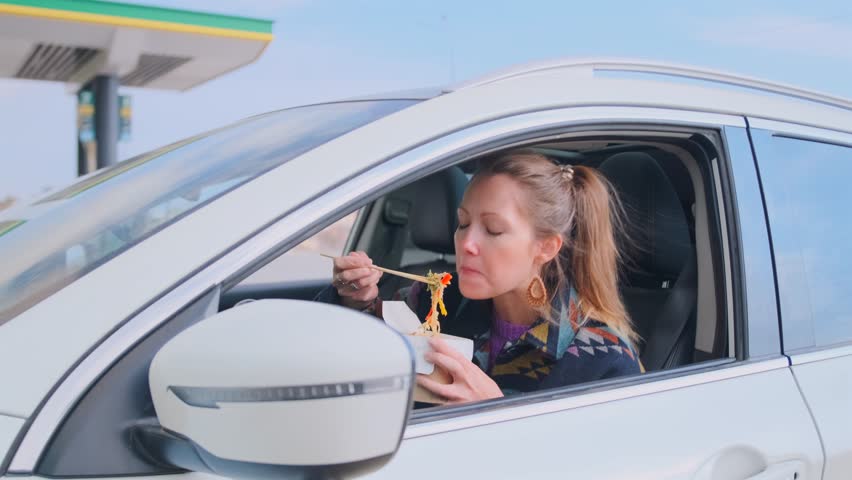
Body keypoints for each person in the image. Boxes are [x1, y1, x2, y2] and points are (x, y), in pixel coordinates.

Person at [317, 150, 642, 404]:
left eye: (493, 229)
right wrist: (355, 299)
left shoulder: (603, 359)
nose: (466, 243)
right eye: (462, 223)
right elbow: (356, 357)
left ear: (545, 247)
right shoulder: (435, 299)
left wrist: (496, 412)